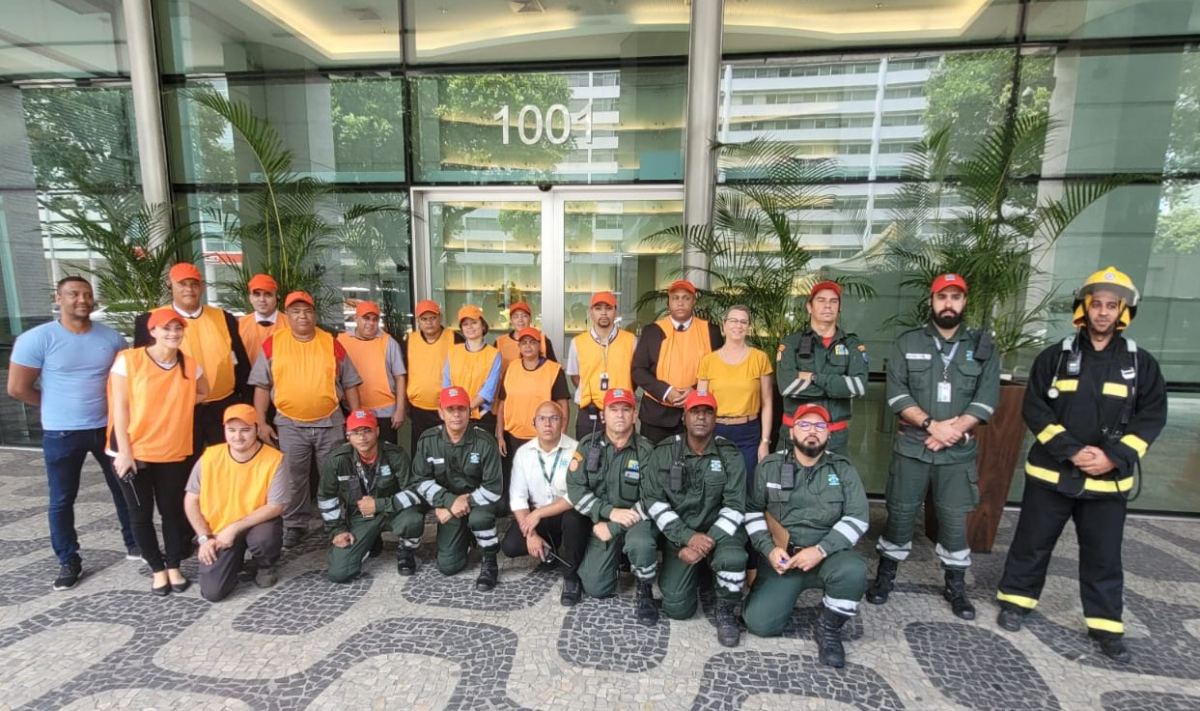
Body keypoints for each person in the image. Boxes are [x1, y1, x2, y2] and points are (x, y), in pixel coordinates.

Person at [995, 267, 1167, 663]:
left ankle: (1105, 624)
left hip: (1108, 482)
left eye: (1112, 306)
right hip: (1052, 475)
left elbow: (1150, 416)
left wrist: (1113, 457)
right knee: (1031, 544)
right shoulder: (1055, 357)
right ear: (1083, 309)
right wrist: (1071, 450)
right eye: (1097, 304)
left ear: (1123, 312)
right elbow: (1036, 408)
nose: (1103, 313)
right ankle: (1016, 603)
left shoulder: (1141, 364)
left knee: (1104, 555)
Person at [866, 273, 1000, 620]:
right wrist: (932, 425)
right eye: (942, 297)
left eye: (956, 297)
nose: (948, 303)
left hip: (957, 452)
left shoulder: (981, 346)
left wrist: (952, 430)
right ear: (932, 301)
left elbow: (986, 398)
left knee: (955, 521)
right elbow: (897, 393)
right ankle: (885, 577)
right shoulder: (908, 342)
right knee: (900, 513)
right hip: (913, 447)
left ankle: (955, 585)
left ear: (964, 302)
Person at [7, 276, 138, 590]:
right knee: (62, 499)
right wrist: (53, 406)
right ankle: (69, 559)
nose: (82, 299)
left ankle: (135, 544)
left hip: (106, 429)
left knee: (124, 489)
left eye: (87, 294)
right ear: (59, 298)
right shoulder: (38, 339)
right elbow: (17, 388)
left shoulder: (111, 338)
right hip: (61, 433)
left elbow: (125, 383)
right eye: (74, 294)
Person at [742, 404, 870, 669]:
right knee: (760, 624)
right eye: (804, 425)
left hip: (827, 556)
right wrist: (768, 549)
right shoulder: (770, 467)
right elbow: (752, 512)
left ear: (828, 435)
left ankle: (829, 628)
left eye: (820, 426)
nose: (812, 431)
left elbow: (858, 518)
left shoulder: (843, 469)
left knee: (853, 571)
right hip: (783, 560)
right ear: (791, 433)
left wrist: (821, 550)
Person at [249, 291, 362, 549]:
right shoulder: (273, 344)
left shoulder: (330, 343)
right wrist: (261, 423)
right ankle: (295, 525)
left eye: (307, 311)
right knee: (293, 477)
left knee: (333, 476)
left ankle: (333, 522)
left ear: (315, 314)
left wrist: (355, 419)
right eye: (296, 311)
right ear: (286, 315)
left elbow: (351, 383)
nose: (302, 316)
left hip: (330, 422)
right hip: (289, 424)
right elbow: (262, 386)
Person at [108, 308, 208, 595]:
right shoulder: (129, 361)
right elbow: (120, 408)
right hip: (134, 451)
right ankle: (156, 568)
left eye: (178, 329)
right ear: (152, 331)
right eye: (166, 329)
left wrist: (175, 406)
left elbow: (203, 392)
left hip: (173, 450)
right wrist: (125, 452)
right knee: (139, 514)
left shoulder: (189, 365)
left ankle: (174, 564)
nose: (173, 334)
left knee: (172, 512)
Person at [640, 391, 747, 647]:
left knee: (733, 558)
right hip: (680, 538)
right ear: (684, 417)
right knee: (677, 608)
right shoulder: (664, 452)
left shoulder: (729, 454)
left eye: (708, 411)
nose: (701, 417)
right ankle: (699, 575)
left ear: (715, 418)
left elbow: (735, 506)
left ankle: (726, 609)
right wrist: (688, 537)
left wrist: (705, 542)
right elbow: (653, 501)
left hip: (720, 534)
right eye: (695, 412)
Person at [134, 262, 251, 450]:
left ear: (203, 286)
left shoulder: (224, 318)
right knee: (184, 468)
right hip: (178, 410)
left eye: (194, 284)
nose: (189, 289)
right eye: (182, 284)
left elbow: (241, 364)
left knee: (226, 463)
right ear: (169, 284)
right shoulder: (150, 320)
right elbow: (142, 374)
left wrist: (246, 403)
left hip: (223, 407)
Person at [183, 404, 286, 602]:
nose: (238, 437)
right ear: (224, 430)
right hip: (218, 530)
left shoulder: (274, 459)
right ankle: (234, 559)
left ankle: (265, 565)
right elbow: (191, 500)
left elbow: (277, 506)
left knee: (265, 539)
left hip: (256, 523)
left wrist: (234, 528)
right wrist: (204, 538)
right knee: (213, 592)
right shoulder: (209, 457)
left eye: (245, 430)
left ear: (257, 428)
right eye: (231, 430)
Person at [566, 388, 657, 611]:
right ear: (603, 415)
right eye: (613, 409)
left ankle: (644, 587)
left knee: (641, 544)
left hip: (636, 520)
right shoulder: (588, 446)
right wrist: (607, 512)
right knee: (596, 587)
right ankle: (615, 560)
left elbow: (652, 498)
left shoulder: (646, 450)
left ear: (634, 415)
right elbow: (575, 488)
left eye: (626, 409)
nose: (620, 415)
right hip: (603, 519)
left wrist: (614, 525)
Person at [318, 409, 424, 582]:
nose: (362, 437)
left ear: (377, 431)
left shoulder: (395, 454)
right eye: (356, 432)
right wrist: (337, 530)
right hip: (361, 516)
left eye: (367, 430)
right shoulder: (338, 459)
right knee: (340, 573)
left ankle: (406, 551)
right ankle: (372, 539)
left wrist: (380, 504)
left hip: (394, 511)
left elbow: (414, 492)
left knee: (413, 519)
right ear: (348, 435)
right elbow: (326, 497)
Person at [414, 386, 503, 590]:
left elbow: (493, 488)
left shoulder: (484, 441)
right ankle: (466, 536)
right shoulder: (428, 440)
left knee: (480, 519)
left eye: (461, 409)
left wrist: (464, 501)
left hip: (480, 502)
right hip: (448, 504)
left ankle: (490, 561)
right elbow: (420, 479)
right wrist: (447, 502)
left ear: (469, 411)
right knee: (449, 566)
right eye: (450, 409)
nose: (456, 414)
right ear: (440, 412)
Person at [502, 401, 590, 605]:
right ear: (534, 423)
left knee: (575, 520)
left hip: (565, 513)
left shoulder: (576, 450)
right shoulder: (524, 453)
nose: (547, 423)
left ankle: (571, 576)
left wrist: (538, 514)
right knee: (511, 545)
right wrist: (531, 534)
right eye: (542, 418)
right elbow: (517, 497)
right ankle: (547, 549)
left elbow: (575, 495)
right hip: (538, 514)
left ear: (562, 422)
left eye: (554, 418)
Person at [776, 281, 868, 454]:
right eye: (821, 300)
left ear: (839, 308)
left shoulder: (852, 346)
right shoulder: (791, 343)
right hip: (793, 435)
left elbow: (858, 387)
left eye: (834, 301)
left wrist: (813, 377)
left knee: (833, 481)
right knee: (787, 481)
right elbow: (787, 386)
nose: (828, 305)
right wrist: (837, 386)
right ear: (809, 307)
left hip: (835, 437)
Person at [631, 279, 723, 443]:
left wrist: (696, 390)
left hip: (698, 413)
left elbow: (720, 370)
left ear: (694, 301)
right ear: (668, 303)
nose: (680, 302)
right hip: (656, 416)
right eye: (675, 298)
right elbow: (638, 370)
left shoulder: (710, 331)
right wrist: (666, 391)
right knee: (654, 463)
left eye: (686, 298)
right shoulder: (653, 331)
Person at [495, 327, 571, 507]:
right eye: (524, 342)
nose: (528, 346)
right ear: (519, 346)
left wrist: (562, 437)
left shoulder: (553, 370)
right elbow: (502, 404)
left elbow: (563, 407)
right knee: (518, 483)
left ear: (540, 346)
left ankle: (543, 519)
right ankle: (521, 519)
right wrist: (499, 434)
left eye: (533, 342)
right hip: (514, 436)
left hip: (543, 438)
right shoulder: (512, 368)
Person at [697, 304, 774, 475]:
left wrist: (765, 441)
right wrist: (699, 437)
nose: (738, 326)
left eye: (743, 322)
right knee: (714, 483)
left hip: (748, 432)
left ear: (749, 326)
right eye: (733, 321)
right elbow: (702, 405)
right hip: (715, 429)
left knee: (746, 483)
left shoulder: (759, 358)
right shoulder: (708, 361)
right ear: (724, 324)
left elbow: (767, 403)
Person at [565, 291, 637, 442]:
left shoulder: (630, 340)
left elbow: (635, 375)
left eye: (608, 308)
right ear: (591, 312)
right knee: (588, 460)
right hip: (590, 410)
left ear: (616, 312)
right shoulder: (578, 342)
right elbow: (575, 376)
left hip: (621, 411)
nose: (603, 313)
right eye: (598, 308)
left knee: (621, 459)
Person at [337, 301, 407, 445]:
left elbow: (400, 377)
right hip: (351, 410)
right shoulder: (341, 341)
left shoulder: (388, 342)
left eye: (375, 319)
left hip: (385, 411)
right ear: (356, 319)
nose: (370, 323)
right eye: (366, 318)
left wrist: (400, 409)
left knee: (387, 455)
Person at [404, 299, 463, 449]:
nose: (429, 322)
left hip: (447, 408)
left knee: (447, 449)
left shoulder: (455, 339)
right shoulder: (410, 341)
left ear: (440, 318)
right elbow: (402, 373)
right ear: (418, 321)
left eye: (433, 318)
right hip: (418, 408)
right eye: (424, 319)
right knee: (421, 450)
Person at [443, 304, 502, 434]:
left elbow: (488, 391)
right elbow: (447, 385)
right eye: (465, 324)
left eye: (474, 322)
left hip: (482, 416)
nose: (470, 327)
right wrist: (455, 410)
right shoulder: (453, 352)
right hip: (455, 415)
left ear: (483, 325)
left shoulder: (494, 354)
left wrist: (465, 408)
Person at [237, 273, 290, 367]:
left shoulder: (290, 324)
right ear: (250, 298)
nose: (262, 299)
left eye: (268, 295)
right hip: (247, 380)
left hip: (282, 380)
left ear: (277, 297)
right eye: (257, 295)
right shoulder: (239, 325)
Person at [494, 301, 557, 375]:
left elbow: (553, 370)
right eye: (515, 316)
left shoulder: (543, 340)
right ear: (511, 320)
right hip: (508, 385)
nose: (520, 320)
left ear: (530, 319)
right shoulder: (500, 342)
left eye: (524, 316)